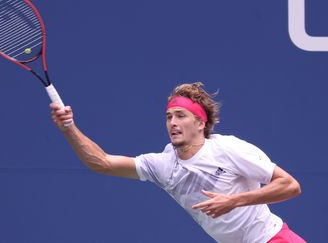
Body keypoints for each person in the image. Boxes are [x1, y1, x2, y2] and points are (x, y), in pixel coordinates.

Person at [50, 82, 305, 243]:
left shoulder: (229, 148)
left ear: (200, 123)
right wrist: (69, 128)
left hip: (273, 238)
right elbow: (101, 162)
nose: (172, 122)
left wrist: (234, 201)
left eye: (180, 116)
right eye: (168, 116)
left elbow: (290, 185)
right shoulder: (163, 165)